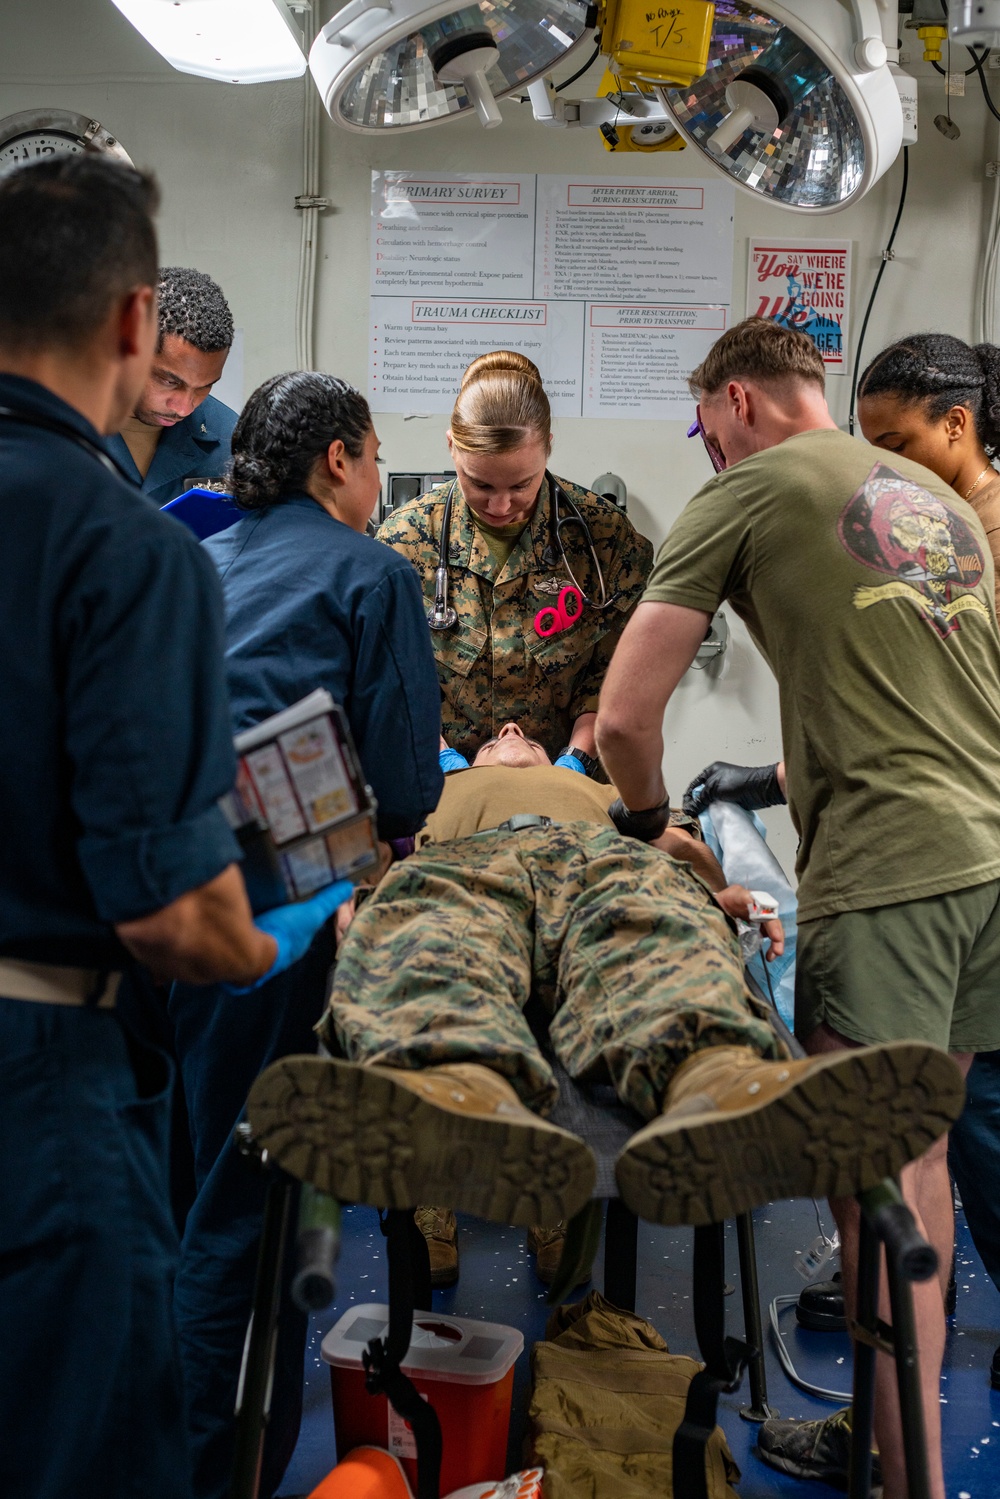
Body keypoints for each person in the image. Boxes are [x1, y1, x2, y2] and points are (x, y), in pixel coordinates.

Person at [595, 316, 1000, 1499]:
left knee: (871, 1181)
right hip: (986, 858)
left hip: (889, 870)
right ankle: (900, 1449)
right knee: (917, 1173)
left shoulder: (749, 485)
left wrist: (646, 821)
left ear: (735, 405)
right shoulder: (928, 491)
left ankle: (899, 1474)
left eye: (700, 427)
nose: (705, 448)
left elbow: (624, 716)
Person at [0, 155, 347, 1499]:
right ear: (137, 323)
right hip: (43, 1074)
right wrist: (264, 941)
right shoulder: (126, 543)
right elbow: (168, 910)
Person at [244, 721, 960, 1248]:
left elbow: (671, 841)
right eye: (495, 736)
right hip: (459, 864)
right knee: (429, 939)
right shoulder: (434, 787)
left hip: (603, 859)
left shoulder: (597, 786)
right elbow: (369, 849)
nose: (510, 730)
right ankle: (454, 1088)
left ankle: (719, 1080)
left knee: (656, 935)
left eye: (520, 732)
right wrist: (349, 891)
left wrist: (719, 893)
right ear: (468, 754)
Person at [169, 370, 444, 1499]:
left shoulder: (193, 560)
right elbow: (402, 785)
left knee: (172, 1191)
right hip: (276, 911)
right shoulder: (373, 574)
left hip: (145, 908)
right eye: (378, 458)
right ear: (340, 458)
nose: (380, 483)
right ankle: (217, 1472)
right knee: (246, 1217)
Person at [377, 350, 653, 770]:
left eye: (522, 484)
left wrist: (574, 763)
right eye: (480, 483)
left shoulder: (605, 540)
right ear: (452, 448)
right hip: (440, 786)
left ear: (547, 449)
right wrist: (445, 763)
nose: (502, 505)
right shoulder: (405, 542)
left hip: (571, 788)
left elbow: (617, 675)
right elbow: (391, 675)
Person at [105, 265, 237, 504]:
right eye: (169, 381)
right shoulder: (52, 427)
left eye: (204, 387)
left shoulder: (230, 441)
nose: (185, 409)